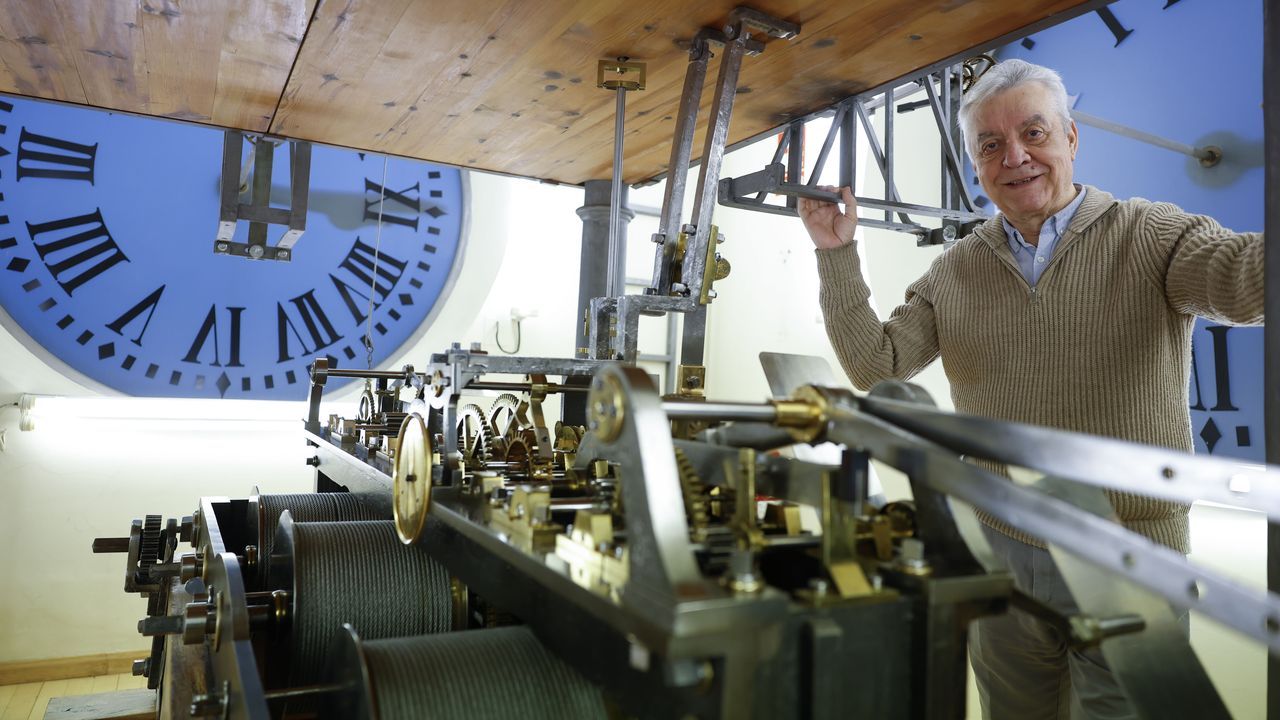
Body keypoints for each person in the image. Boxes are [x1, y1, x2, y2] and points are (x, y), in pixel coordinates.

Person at [797, 58, 1263, 719]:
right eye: (991, 145)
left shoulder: (1151, 234)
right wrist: (835, 252)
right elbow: (879, 366)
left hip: (1131, 547)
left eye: (1034, 133)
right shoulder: (955, 269)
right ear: (978, 166)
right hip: (1002, 543)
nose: (1015, 157)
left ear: (1071, 139)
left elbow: (1242, 278)